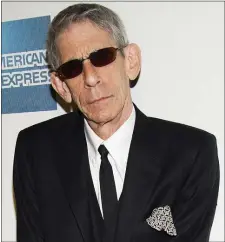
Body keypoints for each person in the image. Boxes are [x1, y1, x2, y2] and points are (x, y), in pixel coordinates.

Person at [13, 3, 220, 242]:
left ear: (130, 61)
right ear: (61, 86)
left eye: (102, 57)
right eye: (73, 68)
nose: (90, 78)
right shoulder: (36, 151)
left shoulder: (191, 153)